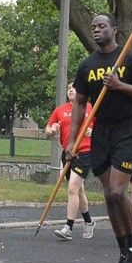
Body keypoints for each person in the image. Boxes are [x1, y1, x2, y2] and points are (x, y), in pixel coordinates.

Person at [69, 14, 132, 263]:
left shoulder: (130, 58)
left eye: (101, 26)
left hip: (127, 129)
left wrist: (120, 85)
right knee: (108, 195)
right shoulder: (87, 66)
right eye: (93, 27)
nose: (96, 30)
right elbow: (79, 104)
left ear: (114, 30)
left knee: (119, 191)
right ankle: (122, 250)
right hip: (101, 132)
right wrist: (72, 141)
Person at [45, 83, 95, 241]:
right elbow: (47, 130)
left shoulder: (91, 108)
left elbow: (103, 129)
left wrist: (93, 131)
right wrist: (51, 131)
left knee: (73, 188)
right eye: (68, 88)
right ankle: (88, 221)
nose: (71, 90)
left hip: (84, 153)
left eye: (75, 87)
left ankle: (68, 228)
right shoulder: (60, 110)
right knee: (79, 191)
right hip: (67, 153)